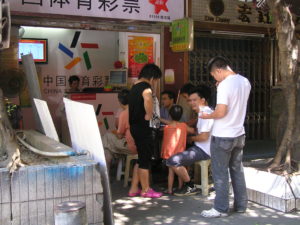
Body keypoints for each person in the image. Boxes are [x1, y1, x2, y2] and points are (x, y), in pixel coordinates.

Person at [200, 56, 251, 218]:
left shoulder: (225, 85)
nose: (214, 78)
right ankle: (241, 205)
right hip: (239, 134)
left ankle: (220, 208)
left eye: (214, 75)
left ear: (219, 70)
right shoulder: (245, 82)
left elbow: (221, 112)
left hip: (223, 135)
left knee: (220, 172)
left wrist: (206, 116)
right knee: (237, 170)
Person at [166, 86, 214, 196]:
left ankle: (190, 186)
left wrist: (190, 138)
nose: (191, 103)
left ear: (202, 100)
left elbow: (204, 137)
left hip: (203, 150)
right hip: (202, 148)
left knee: (172, 160)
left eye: (194, 100)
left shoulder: (204, 114)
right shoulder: (204, 112)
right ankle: (187, 183)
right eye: (190, 100)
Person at [128, 63, 163, 198]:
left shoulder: (134, 86)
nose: (156, 83)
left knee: (141, 157)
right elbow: (148, 97)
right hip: (144, 128)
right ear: (152, 77)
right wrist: (149, 114)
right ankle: (146, 190)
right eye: (156, 80)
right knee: (145, 160)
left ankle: (133, 189)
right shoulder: (146, 87)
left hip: (135, 127)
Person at [161, 104, 194, 195]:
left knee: (171, 172)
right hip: (180, 153)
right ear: (181, 115)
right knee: (180, 170)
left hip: (169, 153)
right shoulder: (183, 126)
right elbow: (192, 131)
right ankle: (180, 188)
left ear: (170, 115)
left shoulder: (166, 128)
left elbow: (165, 140)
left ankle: (170, 189)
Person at [102, 89, 137, 170]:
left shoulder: (123, 114)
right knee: (107, 146)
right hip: (142, 145)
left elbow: (120, 136)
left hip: (131, 146)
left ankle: (105, 174)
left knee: (106, 138)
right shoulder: (139, 110)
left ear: (119, 101)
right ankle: (108, 160)